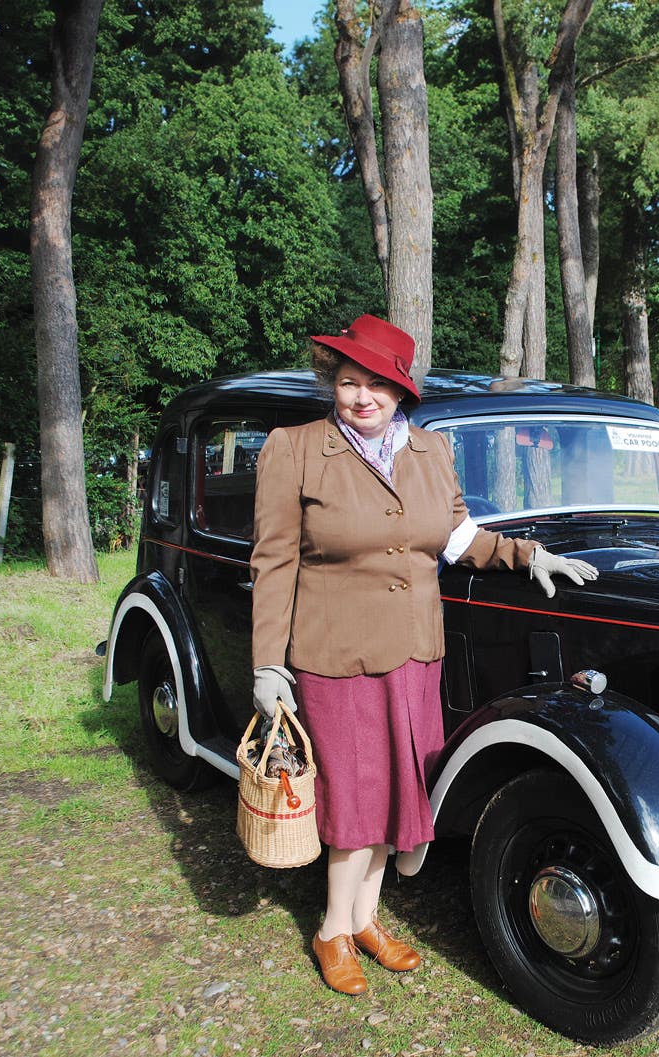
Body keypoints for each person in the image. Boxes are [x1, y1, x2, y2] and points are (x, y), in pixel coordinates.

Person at [249, 314, 598, 996]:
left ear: (401, 392)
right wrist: (268, 664)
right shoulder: (294, 449)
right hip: (336, 657)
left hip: (414, 653)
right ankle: (332, 929)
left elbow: (457, 536)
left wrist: (527, 555)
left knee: (399, 791)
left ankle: (366, 918)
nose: (362, 397)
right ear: (332, 383)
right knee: (355, 799)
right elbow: (274, 562)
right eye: (349, 382)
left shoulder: (430, 450)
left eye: (378, 385)